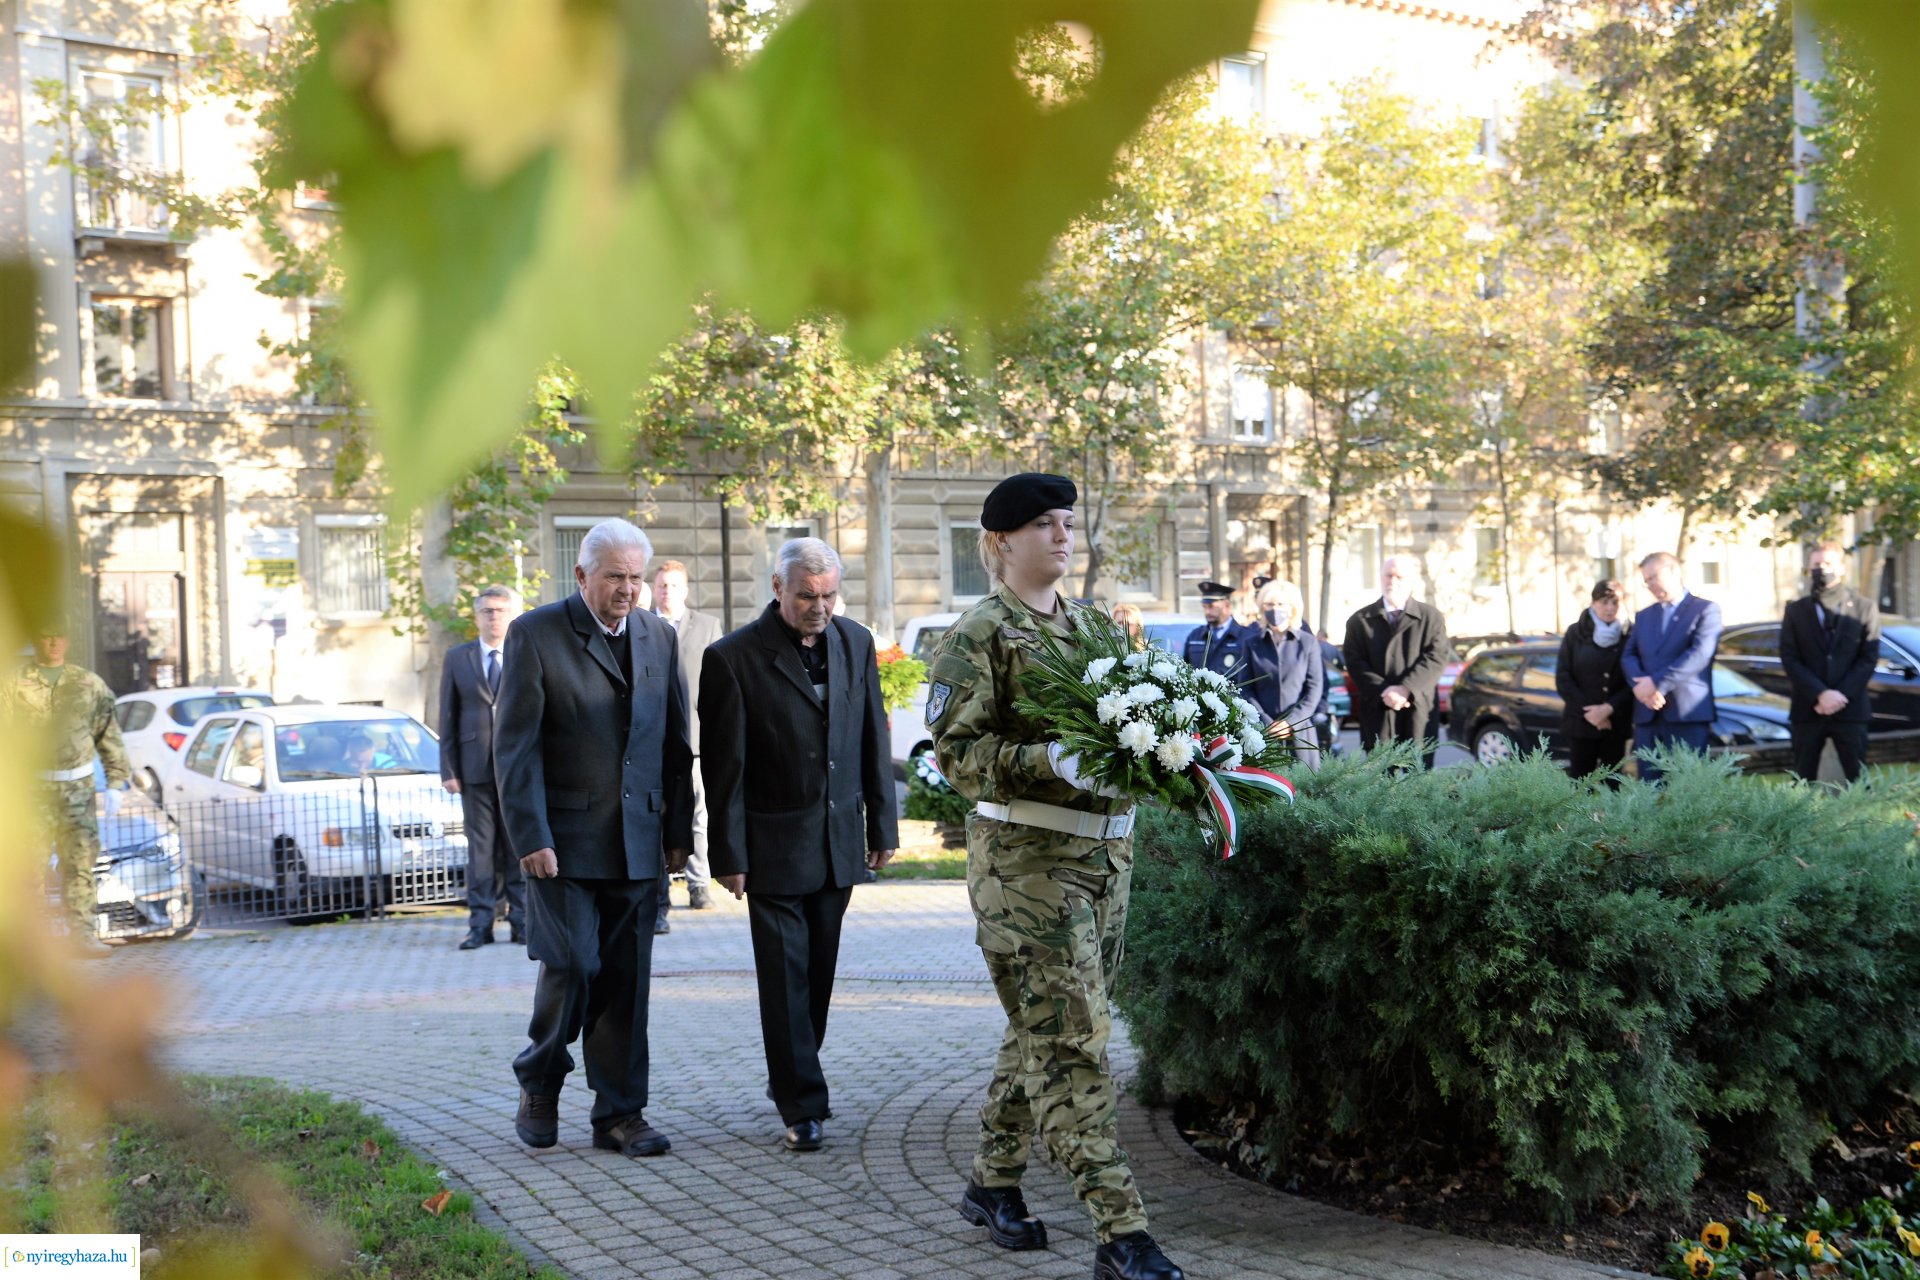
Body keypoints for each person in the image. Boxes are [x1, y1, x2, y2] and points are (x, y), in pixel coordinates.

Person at [928, 472, 1185, 1280]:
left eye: (1068, 523)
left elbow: (1138, 721)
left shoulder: (1095, 628)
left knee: (1042, 1025)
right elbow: (957, 760)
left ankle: (992, 1183)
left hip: (1106, 860)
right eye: (1045, 524)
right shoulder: (978, 635)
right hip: (1028, 871)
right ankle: (1122, 1234)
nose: (1064, 536)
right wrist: (1050, 759)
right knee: (1075, 1043)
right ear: (1002, 542)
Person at [494, 518, 694, 1158]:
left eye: (636, 577)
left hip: (638, 842)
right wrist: (530, 834)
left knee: (626, 984)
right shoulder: (536, 633)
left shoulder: (659, 637)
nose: (628, 589)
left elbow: (674, 745)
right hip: (561, 844)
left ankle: (619, 1114)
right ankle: (541, 1077)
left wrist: (677, 836)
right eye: (615, 577)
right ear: (581, 576)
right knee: (575, 965)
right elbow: (515, 748)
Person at [699, 538, 898, 1153]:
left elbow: (871, 734)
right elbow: (723, 769)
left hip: (838, 842)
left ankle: (792, 1072)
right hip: (772, 847)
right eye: (808, 596)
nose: (820, 606)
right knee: (783, 977)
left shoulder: (855, 641)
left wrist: (882, 827)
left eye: (830, 594)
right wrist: (728, 856)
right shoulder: (731, 658)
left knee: (816, 977)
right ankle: (801, 1103)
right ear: (779, 589)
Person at [3, 618, 130, 953]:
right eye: (46, 636)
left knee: (80, 865)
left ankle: (82, 937)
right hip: (34, 793)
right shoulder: (14, 684)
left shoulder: (88, 684)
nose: (53, 643)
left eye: (59, 636)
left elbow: (109, 734)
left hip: (79, 791)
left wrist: (116, 782)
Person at [441, 585, 528, 950]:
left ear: (512, 616)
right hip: (474, 770)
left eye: (500, 611)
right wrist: (448, 769)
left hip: (518, 770)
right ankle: (480, 924)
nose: (494, 617)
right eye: (487, 611)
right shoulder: (458, 658)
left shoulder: (526, 654)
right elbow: (447, 715)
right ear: (477, 616)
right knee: (480, 852)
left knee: (518, 849)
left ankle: (522, 922)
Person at [651, 558, 724, 932]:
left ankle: (699, 884)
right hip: (655, 742)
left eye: (675, 585)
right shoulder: (639, 625)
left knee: (699, 816)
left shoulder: (708, 627)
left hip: (696, 738)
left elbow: (718, 686)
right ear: (654, 588)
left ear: (686, 589)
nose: (668, 591)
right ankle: (659, 898)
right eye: (662, 585)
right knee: (657, 819)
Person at [1781, 541, 1881, 784]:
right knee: (1802, 781)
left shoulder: (1864, 608)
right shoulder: (1795, 610)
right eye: (1816, 564)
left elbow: (1868, 657)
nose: (1822, 568)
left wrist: (1838, 695)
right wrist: (1820, 694)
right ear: (1808, 568)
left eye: (1828, 563)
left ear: (1842, 568)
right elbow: (1790, 658)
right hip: (1808, 708)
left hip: (1851, 709)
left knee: (1858, 781)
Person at [1620, 551, 1722, 784]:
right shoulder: (1645, 616)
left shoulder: (1705, 609)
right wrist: (1640, 686)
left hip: (1687, 714)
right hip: (1648, 716)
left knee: (1689, 788)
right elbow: (1629, 655)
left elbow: (1700, 654)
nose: (1650, 585)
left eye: (1653, 577)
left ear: (1674, 571)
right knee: (1649, 789)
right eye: (1646, 581)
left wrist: (1657, 684)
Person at [1341, 554, 1450, 767]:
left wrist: (1405, 688)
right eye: (1388, 575)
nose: (1393, 581)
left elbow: (1436, 657)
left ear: (1411, 581)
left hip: (1418, 708)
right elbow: (1354, 661)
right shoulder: (1359, 620)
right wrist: (1384, 690)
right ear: (1381, 578)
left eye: (1399, 576)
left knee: (1419, 777)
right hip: (1377, 710)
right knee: (1380, 777)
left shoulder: (1431, 617)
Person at [1555, 580, 1634, 780]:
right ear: (1593, 603)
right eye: (1604, 602)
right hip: (1581, 722)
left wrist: (1608, 709)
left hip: (1615, 723)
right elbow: (1563, 677)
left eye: (1615, 603)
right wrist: (1594, 713)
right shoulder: (1576, 632)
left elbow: (1633, 680)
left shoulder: (1630, 633)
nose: (1610, 608)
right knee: (1581, 786)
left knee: (1613, 784)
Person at [1243, 578, 1324, 769]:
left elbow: (1314, 691)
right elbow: (1246, 688)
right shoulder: (1251, 643)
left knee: (1305, 791)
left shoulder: (1307, 643)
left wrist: (1290, 723)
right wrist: (1265, 721)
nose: (1275, 609)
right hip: (1263, 732)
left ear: (1292, 608)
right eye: (1270, 604)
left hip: (1300, 733)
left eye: (1280, 604)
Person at [1182, 581, 1250, 687]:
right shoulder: (1194, 637)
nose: (1207, 612)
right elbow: (1185, 671)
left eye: (1212, 606)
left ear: (1226, 605)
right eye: (1204, 607)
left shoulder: (1246, 637)